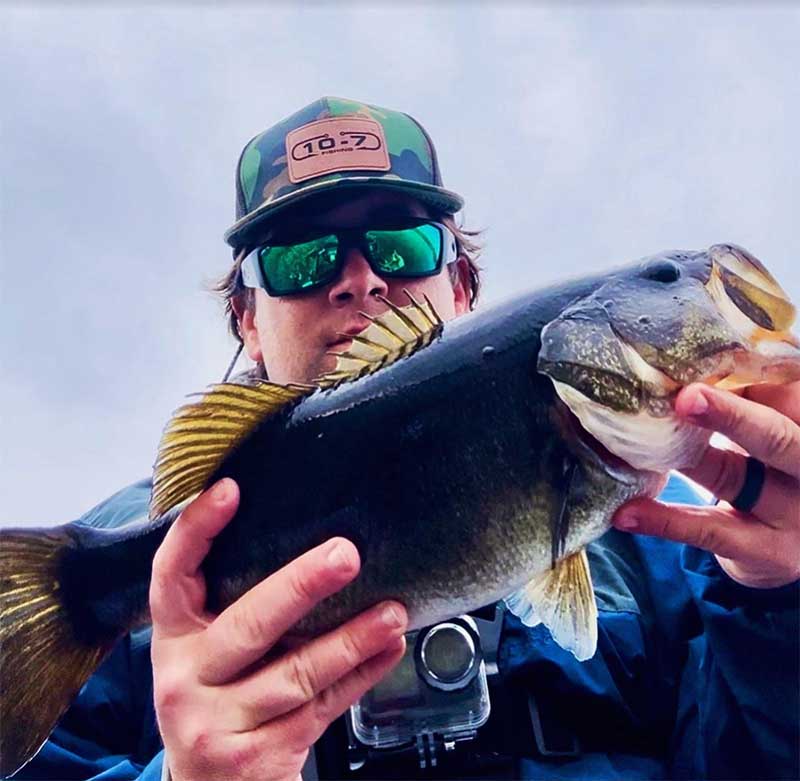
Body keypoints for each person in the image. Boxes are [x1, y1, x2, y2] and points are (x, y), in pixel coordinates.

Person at [17, 97, 799, 781]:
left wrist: (784, 604)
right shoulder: (133, 563)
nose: (360, 278)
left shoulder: (699, 549)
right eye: (301, 257)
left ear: (462, 288)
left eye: (404, 245)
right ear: (247, 322)